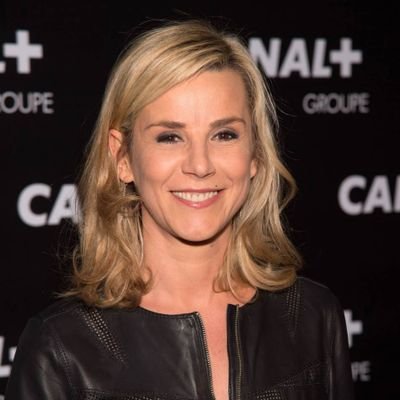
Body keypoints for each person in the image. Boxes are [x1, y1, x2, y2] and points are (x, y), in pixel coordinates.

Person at [5, 19, 354, 400]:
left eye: (224, 134)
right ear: (122, 157)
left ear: (255, 153)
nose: (200, 165)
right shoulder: (61, 348)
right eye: (170, 137)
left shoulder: (313, 317)